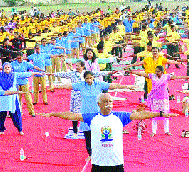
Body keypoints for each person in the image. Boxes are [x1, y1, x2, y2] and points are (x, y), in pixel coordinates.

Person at [39, 93, 178, 172]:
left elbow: (141, 115)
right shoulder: (92, 117)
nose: (108, 104)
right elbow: (72, 115)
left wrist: (160, 113)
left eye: (110, 102)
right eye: (105, 102)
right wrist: (53, 113)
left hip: (116, 164)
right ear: (98, 104)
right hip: (98, 165)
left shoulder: (120, 116)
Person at [55, 71, 136, 161]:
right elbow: (69, 86)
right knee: (88, 135)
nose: (89, 80)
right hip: (86, 113)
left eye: (90, 78)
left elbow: (113, 86)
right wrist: (56, 86)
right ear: (84, 79)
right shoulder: (81, 85)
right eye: (87, 78)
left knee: (100, 134)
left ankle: (102, 152)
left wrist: (128, 87)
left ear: (93, 77)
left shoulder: (99, 84)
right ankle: (90, 153)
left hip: (98, 113)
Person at [47, 60, 115, 138]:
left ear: (82, 66)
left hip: (87, 98)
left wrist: (110, 72)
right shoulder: (73, 74)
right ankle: (75, 131)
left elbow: (98, 73)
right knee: (74, 113)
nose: (76, 67)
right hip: (76, 97)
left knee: (89, 113)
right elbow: (63, 74)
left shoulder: (88, 74)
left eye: (78, 66)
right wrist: (53, 74)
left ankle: (91, 129)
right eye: (76, 66)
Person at [0, 63, 42, 135]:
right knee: (1, 115)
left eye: (8, 67)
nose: (7, 68)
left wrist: (35, 73)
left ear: (11, 68)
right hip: (2, 99)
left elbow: (25, 74)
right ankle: (1, 130)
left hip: (12, 99)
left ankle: (20, 129)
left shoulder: (15, 74)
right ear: (3, 68)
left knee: (15, 115)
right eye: (5, 67)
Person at [129, 66, 189, 136]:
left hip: (164, 98)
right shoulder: (152, 76)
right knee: (154, 114)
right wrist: (132, 72)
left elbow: (177, 77)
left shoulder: (166, 77)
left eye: (158, 71)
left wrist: (188, 77)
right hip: (155, 98)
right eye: (156, 71)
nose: (156, 73)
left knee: (166, 114)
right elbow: (142, 74)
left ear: (162, 72)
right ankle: (154, 131)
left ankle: (167, 131)